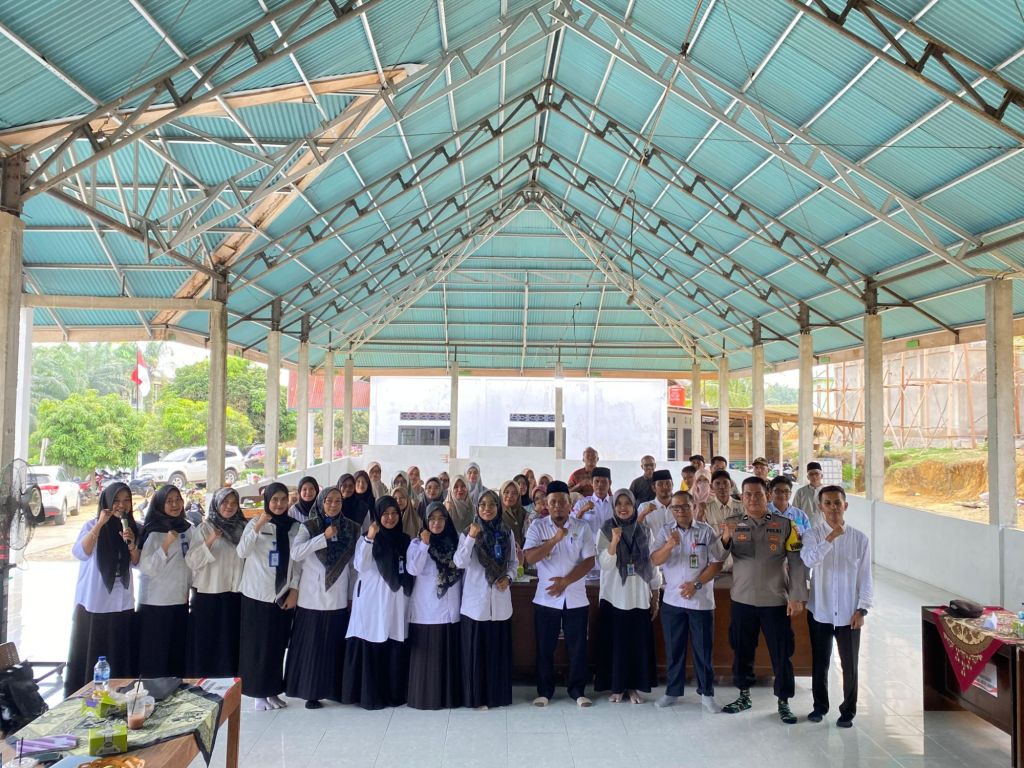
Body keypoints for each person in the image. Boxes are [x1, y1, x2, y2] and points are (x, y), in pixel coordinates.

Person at [711, 476, 809, 724]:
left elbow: (796, 563)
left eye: (758, 494)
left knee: (782, 652)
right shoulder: (732, 523)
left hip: (775, 600)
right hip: (742, 600)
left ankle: (783, 701)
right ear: (742, 497)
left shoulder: (785, 525)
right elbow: (716, 556)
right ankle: (744, 695)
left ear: (768, 496)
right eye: (748, 494)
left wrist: (797, 596)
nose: (753, 498)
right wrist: (725, 537)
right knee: (741, 650)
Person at [801, 485, 873, 728]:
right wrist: (830, 538)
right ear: (820, 507)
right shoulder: (812, 535)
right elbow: (809, 560)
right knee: (820, 662)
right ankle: (819, 707)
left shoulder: (860, 539)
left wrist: (862, 609)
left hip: (849, 613)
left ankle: (848, 711)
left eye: (837, 503)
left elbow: (865, 577)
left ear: (845, 505)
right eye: (828, 503)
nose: (833, 508)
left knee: (849, 665)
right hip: (820, 611)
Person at [523, 480, 597, 708]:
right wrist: (554, 540)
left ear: (569, 504)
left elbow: (589, 561)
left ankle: (577, 691)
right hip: (546, 598)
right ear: (546, 504)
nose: (557, 506)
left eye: (562, 502)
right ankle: (545, 692)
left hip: (575, 597)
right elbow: (529, 557)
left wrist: (565, 581)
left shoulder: (582, 527)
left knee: (577, 646)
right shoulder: (538, 526)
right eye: (553, 502)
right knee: (545, 647)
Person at [285, 486, 359, 709]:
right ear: (321, 502)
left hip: (338, 594)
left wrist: (351, 596)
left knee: (333, 646)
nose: (333, 505)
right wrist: (322, 538)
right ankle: (311, 692)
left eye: (338, 501)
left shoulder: (351, 528)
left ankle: (334, 689)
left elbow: (353, 567)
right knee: (313, 647)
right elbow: (296, 553)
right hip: (312, 596)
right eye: (329, 501)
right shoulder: (309, 526)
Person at [66, 482, 140, 695]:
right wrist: (100, 524)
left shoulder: (131, 527)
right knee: (94, 655)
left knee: (119, 652)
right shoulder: (91, 525)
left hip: (121, 602)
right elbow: (81, 553)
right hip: (95, 603)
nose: (121, 505)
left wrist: (131, 543)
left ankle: (119, 695)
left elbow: (137, 562)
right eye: (116, 500)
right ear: (107, 502)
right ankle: (89, 697)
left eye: (126, 501)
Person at [651, 491, 723, 711]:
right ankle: (672, 692)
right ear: (671, 510)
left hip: (700, 601)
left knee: (703, 650)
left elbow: (716, 564)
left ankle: (707, 693)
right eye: (676, 507)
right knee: (674, 650)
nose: (680, 511)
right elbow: (654, 560)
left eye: (684, 506)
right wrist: (668, 546)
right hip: (673, 601)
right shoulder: (666, 531)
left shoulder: (706, 531)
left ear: (693, 507)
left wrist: (695, 585)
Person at [342, 496, 414, 710]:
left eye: (394, 513)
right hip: (372, 600)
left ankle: (393, 694)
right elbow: (360, 565)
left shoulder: (404, 539)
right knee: (373, 639)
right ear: (377, 516)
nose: (390, 518)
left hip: (396, 599)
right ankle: (371, 695)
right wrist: (370, 538)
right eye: (385, 514)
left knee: (393, 639)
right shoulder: (368, 537)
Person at [237, 482, 301, 711]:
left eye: (283, 499)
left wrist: (294, 590)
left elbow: (298, 562)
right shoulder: (255, 523)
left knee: (276, 645)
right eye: (274, 499)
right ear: (267, 501)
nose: (279, 504)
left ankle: (272, 690)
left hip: (281, 595)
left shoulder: (295, 527)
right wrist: (258, 525)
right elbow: (242, 552)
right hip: (257, 594)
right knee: (257, 647)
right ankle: (258, 693)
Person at [595, 489, 662, 704]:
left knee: (636, 644)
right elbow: (604, 564)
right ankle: (617, 687)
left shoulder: (645, 531)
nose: (623, 508)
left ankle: (633, 687)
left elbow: (652, 564)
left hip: (638, 595)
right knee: (616, 644)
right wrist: (614, 542)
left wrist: (655, 593)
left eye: (628, 504)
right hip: (614, 596)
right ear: (613, 507)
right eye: (619, 504)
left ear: (634, 506)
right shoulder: (606, 529)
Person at [455, 489, 516, 709]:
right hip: (476, 604)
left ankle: (497, 697)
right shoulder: (467, 533)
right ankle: (477, 698)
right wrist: (471, 537)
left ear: (498, 508)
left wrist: (509, 578)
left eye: (492, 504)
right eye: (482, 505)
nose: (487, 509)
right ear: (477, 508)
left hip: (499, 601)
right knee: (477, 653)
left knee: (496, 652)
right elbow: (459, 562)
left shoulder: (506, 532)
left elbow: (513, 563)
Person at [405, 502, 464, 710]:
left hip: (451, 608)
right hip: (426, 609)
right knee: (428, 659)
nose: (436, 523)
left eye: (441, 519)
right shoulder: (416, 543)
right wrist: (424, 544)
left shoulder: (455, 541)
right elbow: (413, 569)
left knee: (448, 655)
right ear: (425, 521)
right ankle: (425, 698)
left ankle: (449, 699)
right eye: (432, 519)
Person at [186, 487, 246, 678]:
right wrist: (211, 540)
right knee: (208, 641)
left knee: (230, 641)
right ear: (216, 504)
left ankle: (229, 680)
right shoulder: (205, 528)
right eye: (225, 502)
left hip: (235, 593)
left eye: (233, 503)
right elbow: (192, 561)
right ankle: (205, 680)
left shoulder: (243, 528)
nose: (229, 506)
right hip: (209, 593)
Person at [136, 485, 192, 678]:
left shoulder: (187, 528)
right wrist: (166, 544)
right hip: (156, 603)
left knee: (176, 654)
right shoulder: (154, 531)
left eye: (178, 500)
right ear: (160, 504)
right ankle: (153, 692)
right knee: (156, 655)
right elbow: (147, 567)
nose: (175, 504)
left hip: (180, 600)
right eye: (169, 501)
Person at [572, 466, 613, 534]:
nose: (600, 485)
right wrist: (581, 511)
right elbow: (571, 525)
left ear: (610, 483)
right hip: (588, 541)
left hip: (611, 541)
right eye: (597, 481)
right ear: (591, 482)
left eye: (604, 481)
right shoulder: (582, 503)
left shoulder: (616, 503)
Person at [793, 462, 825, 526]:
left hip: (823, 528)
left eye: (816, 474)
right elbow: (795, 511)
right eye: (811, 474)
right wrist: (799, 526)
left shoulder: (828, 492)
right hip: (805, 528)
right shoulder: (801, 492)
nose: (814, 476)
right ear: (808, 477)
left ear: (821, 476)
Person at [499, 480, 528, 548]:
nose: (510, 496)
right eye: (506, 492)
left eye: (514, 493)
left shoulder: (523, 512)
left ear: (518, 496)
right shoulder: (496, 513)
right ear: (501, 494)